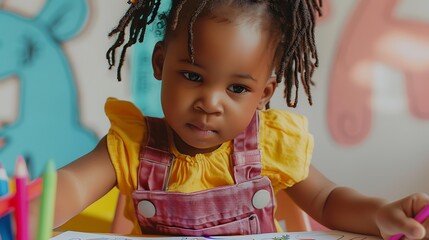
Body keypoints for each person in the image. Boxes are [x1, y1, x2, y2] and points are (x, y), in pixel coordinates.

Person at [29, 0, 429, 238]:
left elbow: (326, 201)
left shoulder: (270, 144)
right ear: (159, 63)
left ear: (264, 94)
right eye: (192, 76)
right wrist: (25, 214)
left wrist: (379, 213)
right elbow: (73, 185)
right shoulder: (132, 144)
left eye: (237, 89)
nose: (210, 102)